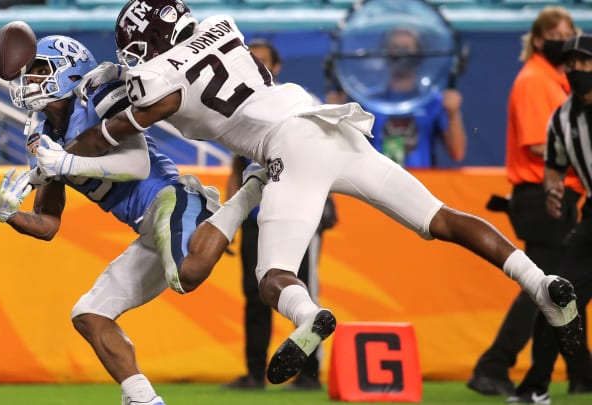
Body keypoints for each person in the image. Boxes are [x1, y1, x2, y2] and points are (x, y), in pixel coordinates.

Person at [40, 0, 583, 386]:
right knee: (440, 218)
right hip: (334, 124)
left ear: (147, 42)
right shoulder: (224, 27)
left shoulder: (154, 73)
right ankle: (542, 283)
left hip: (288, 148)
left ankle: (308, 319)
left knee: (271, 274)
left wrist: (72, 150)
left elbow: (141, 112)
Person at [0, 34, 266, 405]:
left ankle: (250, 189)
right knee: (89, 314)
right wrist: (10, 214)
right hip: (146, 227)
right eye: (28, 72)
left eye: (40, 69)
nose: (30, 80)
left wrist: (68, 163)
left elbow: (137, 164)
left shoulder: (97, 95)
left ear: (72, 70)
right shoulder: (41, 134)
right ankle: (142, 399)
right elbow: (48, 224)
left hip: (171, 199)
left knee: (185, 275)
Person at [466, 7, 588, 397]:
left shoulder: (554, 80)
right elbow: (540, 144)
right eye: (557, 34)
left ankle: (580, 371)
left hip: (554, 193)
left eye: (571, 34)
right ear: (538, 39)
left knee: (566, 283)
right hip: (543, 193)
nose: (564, 41)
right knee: (544, 287)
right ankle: (495, 365)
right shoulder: (537, 80)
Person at [222, 39, 337, 391]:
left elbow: (324, 156)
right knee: (256, 293)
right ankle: (255, 373)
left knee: (302, 290)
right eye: (250, 59)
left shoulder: (300, 101)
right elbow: (236, 167)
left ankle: (310, 374)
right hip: (257, 215)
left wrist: (324, 203)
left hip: (298, 213)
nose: (255, 64)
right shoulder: (238, 107)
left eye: (262, 60)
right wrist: (229, 219)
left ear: (277, 66)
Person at [505, 33, 592, 405]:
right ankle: (536, 387)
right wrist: (553, 191)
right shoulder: (563, 117)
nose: (576, 69)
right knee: (557, 296)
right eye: (570, 63)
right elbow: (555, 167)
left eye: (584, 62)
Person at [326, 26, 466, 168]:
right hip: (376, 184)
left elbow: (457, 153)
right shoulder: (367, 103)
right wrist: (335, 115)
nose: (401, 54)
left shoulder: (432, 102)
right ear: (385, 53)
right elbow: (342, 154)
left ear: (420, 54)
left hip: (422, 184)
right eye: (396, 48)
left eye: (407, 48)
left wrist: (453, 114)